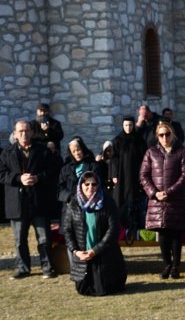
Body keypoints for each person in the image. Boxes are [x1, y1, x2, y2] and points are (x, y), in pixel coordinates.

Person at [0, 120, 57, 279]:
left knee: (44, 238)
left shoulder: (43, 150)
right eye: (20, 131)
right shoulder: (7, 152)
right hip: (17, 203)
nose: (24, 134)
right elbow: (2, 174)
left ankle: (48, 268)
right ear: (15, 134)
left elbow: (53, 170)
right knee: (20, 240)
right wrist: (19, 178)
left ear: (32, 132)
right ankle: (24, 269)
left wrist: (38, 178)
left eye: (26, 131)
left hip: (39, 200)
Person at [62, 171, 127, 295]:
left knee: (103, 289)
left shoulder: (108, 203)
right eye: (87, 184)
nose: (90, 187)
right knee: (83, 290)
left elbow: (113, 231)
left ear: (98, 185)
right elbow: (67, 230)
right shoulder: (73, 204)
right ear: (81, 185)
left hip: (103, 254)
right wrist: (76, 251)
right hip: (82, 254)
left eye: (94, 184)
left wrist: (95, 250)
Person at [140, 122, 185, 279]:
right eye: (161, 135)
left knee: (175, 233)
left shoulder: (181, 152)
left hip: (175, 200)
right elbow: (143, 175)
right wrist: (154, 193)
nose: (164, 138)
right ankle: (167, 264)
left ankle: (176, 266)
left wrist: (169, 192)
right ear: (157, 136)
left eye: (167, 134)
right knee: (162, 233)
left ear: (172, 134)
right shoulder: (151, 152)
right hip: (157, 201)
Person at [111, 116, 147, 228]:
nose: (128, 127)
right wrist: (114, 174)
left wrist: (142, 175)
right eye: (126, 125)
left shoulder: (139, 140)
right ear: (123, 126)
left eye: (130, 125)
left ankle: (133, 226)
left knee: (133, 199)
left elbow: (144, 158)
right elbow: (113, 159)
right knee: (120, 199)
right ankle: (120, 226)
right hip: (121, 175)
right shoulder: (117, 140)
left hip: (134, 175)